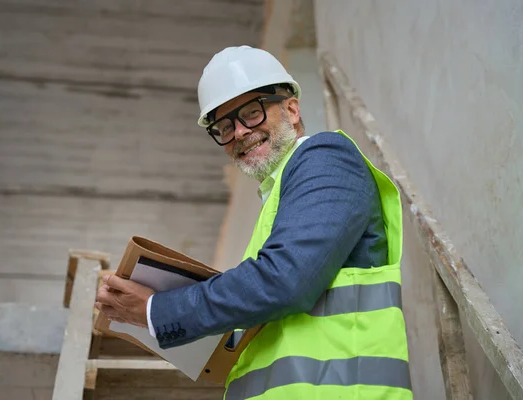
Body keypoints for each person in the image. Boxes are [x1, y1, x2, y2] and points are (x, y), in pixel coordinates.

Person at [95, 45, 413, 399]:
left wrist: (158, 310)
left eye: (252, 112)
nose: (240, 133)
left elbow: (285, 280)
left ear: (291, 109)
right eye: (224, 126)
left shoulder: (326, 158)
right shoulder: (277, 205)